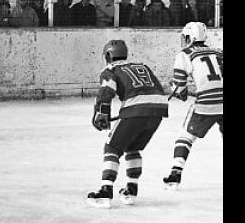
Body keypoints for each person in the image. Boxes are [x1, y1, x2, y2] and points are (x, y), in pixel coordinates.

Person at [86, 39, 168, 208]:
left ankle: (105, 190)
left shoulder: (110, 69)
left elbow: (106, 91)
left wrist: (101, 113)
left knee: (112, 148)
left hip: (135, 110)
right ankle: (131, 189)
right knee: (133, 147)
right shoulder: (142, 66)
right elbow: (157, 88)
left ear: (108, 55)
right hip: (158, 110)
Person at [162, 22, 223, 190]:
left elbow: (180, 89)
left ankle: (175, 172)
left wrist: (177, 89)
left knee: (185, 136)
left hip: (206, 103)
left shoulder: (184, 54)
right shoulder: (218, 52)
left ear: (190, 37)